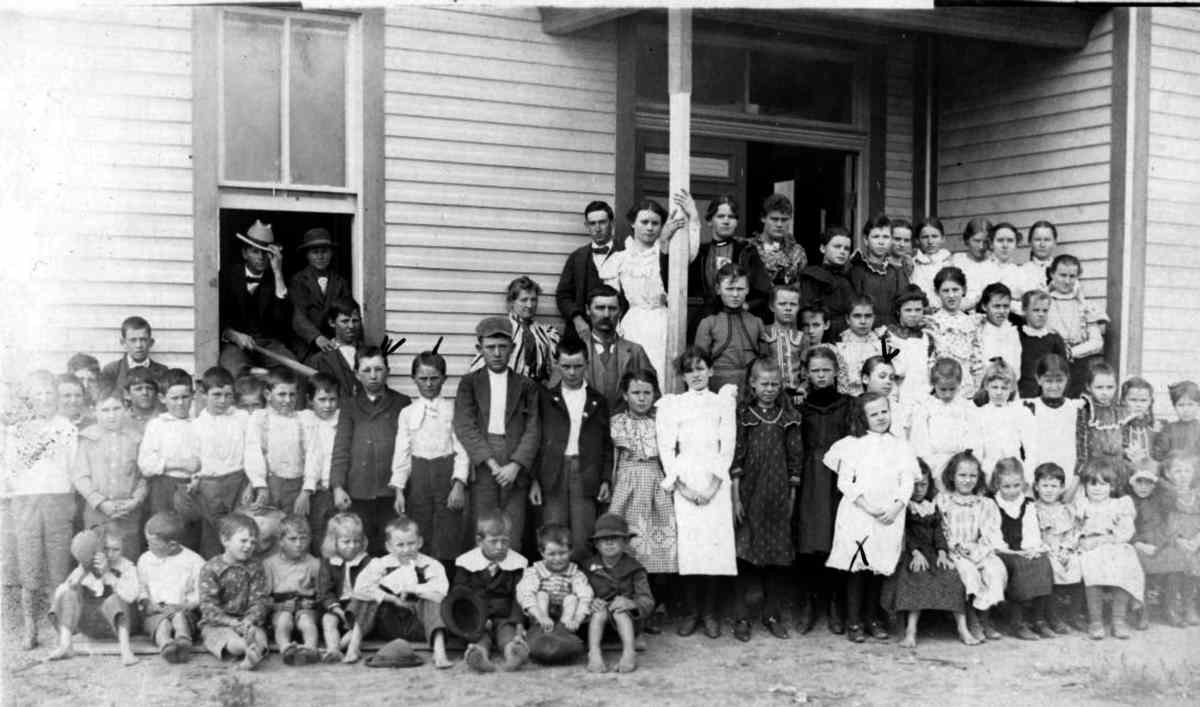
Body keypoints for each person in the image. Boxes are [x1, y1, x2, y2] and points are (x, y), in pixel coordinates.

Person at [656, 347, 738, 639]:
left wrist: (714, 485)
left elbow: (727, 444)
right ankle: (691, 612)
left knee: (715, 549)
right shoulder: (673, 404)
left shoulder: (722, 403)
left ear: (711, 371)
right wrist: (683, 487)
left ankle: (710, 613)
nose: (696, 375)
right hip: (686, 478)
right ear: (682, 376)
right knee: (690, 550)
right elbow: (667, 448)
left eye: (701, 368)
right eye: (690, 370)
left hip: (715, 478)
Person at [824, 393, 918, 643]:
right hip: (860, 514)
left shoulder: (900, 445)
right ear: (863, 417)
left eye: (884, 412)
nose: (880, 417)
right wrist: (868, 506)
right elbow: (845, 482)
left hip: (889, 515)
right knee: (858, 566)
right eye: (873, 414)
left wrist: (897, 506)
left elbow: (907, 480)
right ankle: (853, 620)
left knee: (878, 567)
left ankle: (871, 618)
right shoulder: (852, 445)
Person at [454, 316, 540, 554]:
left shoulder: (526, 386)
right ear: (479, 348)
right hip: (483, 462)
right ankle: (482, 576)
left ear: (512, 348)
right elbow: (465, 426)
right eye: (490, 347)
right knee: (483, 529)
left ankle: (512, 576)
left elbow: (533, 429)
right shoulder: (469, 383)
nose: (497, 353)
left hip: (515, 462)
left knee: (513, 529)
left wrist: (515, 465)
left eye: (503, 347)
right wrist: (492, 465)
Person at [731, 359, 803, 641]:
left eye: (775, 384)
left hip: (778, 494)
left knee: (776, 557)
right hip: (749, 493)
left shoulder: (789, 417)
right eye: (764, 384)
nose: (770, 389)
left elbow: (795, 457)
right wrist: (736, 498)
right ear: (753, 384)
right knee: (745, 554)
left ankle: (771, 614)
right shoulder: (743, 416)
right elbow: (737, 456)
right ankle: (741, 616)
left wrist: (792, 495)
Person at [599, 191, 700, 379]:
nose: (649, 227)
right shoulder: (619, 259)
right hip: (633, 323)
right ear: (633, 223)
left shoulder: (665, 254)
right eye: (644, 222)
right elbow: (611, 301)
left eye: (655, 223)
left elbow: (691, 252)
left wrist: (693, 215)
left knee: (662, 372)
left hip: (662, 321)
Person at [607, 369, 677, 625]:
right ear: (625, 395)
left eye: (647, 392)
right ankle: (628, 605)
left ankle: (655, 606)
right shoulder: (617, 422)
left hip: (656, 485)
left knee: (660, 547)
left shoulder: (661, 421)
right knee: (630, 546)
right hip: (627, 487)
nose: (641, 398)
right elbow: (613, 459)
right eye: (636, 392)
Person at [534, 336, 612, 563]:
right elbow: (536, 441)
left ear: (587, 364)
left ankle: (582, 581)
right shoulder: (546, 399)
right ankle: (552, 580)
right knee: (553, 531)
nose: (571, 372)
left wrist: (605, 479)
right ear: (557, 364)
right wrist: (534, 480)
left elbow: (606, 444)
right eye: (566, 366)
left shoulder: (597, 401)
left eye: (577, 366)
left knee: (582, 535)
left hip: (585, 471)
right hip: (553, 473)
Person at [390, 347, 469, 568]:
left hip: (446, 474)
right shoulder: (407, 413)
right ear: (414, 379)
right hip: (419, 476)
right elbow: (402, 452)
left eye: (434, 378)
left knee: (448, 529)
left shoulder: (453, 410)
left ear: (444, 378)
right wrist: (399, 490)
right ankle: (420, 575)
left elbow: (462, 449)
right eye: (423, 379)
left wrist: (459, 484)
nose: (428, 384)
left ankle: (447, 576)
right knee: (420, 526)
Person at [793, 346, 854, 633]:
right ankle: (808, 602)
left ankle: (834, 604)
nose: (820, 375)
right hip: (809, 478)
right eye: (815, 371)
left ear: (836, 372)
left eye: (826, 370)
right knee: (809, 540)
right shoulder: (800, 407)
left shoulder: (848, 405)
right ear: (806, 373)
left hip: (837, 478)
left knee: (836, 538)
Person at [883, 460, 974, 647]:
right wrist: (915, 552)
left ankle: (963, 628)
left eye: (923, 485)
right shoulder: (903, 507)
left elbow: (939, 532)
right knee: (918, 577)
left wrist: (942, 552)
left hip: (933, 553)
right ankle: (911, 631)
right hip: (911, 553)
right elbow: (905, 533)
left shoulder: (931, 506)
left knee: (952, 576)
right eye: (914, 485)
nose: (918, 490)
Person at [330, 346, 412, 555]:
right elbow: (341, 448)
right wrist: (338, 486)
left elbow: (408, 449)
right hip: (359, 491)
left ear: (388, 371)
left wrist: (402, 488)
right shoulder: (349, 406)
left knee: (393, 547)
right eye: (366, 370)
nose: (373, 376)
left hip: (391, 491)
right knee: (360, 549)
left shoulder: (401, 403)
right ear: (357, 374)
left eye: (378, 369)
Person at [349, 516, 453, 668]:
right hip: (388, 623)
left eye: (411, 543)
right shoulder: (381, 564)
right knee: (365, 597)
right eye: (400, 545)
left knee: (434, 599)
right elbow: (360, 588)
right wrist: (392, 598)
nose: (406, 549)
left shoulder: (430, 565)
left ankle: (439, 652)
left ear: (420, 542)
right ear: (389, 546)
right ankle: (353, 646)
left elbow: (441, 591)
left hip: (420, 625)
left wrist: (412, 589)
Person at [937, 451, 1007, 641]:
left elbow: (991, 532)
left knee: (995, 570)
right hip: (955, 552)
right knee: (969, 573)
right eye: (962, 475)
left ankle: (985, 618)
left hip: (979, 550)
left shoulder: (985, 503)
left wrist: (979, 551)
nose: (967, 480)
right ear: (952, 476)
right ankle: (972, 619)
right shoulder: (943, 501)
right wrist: (957, 548)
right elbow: (941, 530)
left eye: (972, 476)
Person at [451, 510, 530, 673]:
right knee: (479, 636)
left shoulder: (517, 563)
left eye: (505, 541)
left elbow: (520, 596)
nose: (500, 547)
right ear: (479, 541)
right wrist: (475, 617)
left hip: (505, 616)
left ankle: (513, 653)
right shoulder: (466, 563)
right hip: (477, 617)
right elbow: (460, 595)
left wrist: (518, 623)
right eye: (494, 541)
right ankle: (479, 655)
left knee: (507, 635)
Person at [47, 526, 140, 666]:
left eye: (116, 549)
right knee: (69, 593)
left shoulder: (127, 567)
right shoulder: (87, 566)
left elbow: (131, 596)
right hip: (93, 626)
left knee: (114, 600)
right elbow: (60, 593)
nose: (110, 554)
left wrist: (107, 574)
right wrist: (81, 575)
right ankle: (66, 645)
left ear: (123, 549)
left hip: (118, 626)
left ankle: (126, 651)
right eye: (106, 549)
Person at [73, 383, 146, 559]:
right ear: (95, 411)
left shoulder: (135, 438)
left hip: (128, 513)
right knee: (97, 557)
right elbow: (80, 476)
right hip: (97, 514)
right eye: (105, 410)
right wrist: (100, 502)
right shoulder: (87, 438)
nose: (111, 415)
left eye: (116, 409)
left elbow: (143, 476)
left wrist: (135, 501)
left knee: (128, 558)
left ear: (125, 408)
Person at [1074, 458, 1144, 640]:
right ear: (1085, 486)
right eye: (1093, 484)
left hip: (1114, 545)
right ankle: (1096, 621)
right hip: (1090, 547)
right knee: (1091, 565)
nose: (1098, 489)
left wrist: (1106, 539)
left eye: (1104, 484)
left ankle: (1118, 620)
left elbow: (1126, 531)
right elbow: (1074, 528)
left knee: (1126, 564)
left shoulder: (1119, 505)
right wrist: (1081, 540)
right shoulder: (1082, 505)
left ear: (1112, 487)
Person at [218, 219, 296, 376]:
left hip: (269, 345)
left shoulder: (278, 279)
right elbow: (217, 317)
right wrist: (232, 334)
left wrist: (277, 272)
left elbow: (283, 319)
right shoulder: (227, 277)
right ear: (244, 253)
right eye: (255, 251)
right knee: (235, 372)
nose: (261, 257)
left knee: (293, 372)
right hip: (236, 344)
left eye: (265, 253)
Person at [190, 366, 250, 558]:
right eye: (216, 395)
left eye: (228, 395)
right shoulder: (197, 425)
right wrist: (195, 479)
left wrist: (250, 483)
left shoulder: (242, 418)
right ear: (203, 394)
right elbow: (195, 460)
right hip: (210, 486)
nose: (223, 401)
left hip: (238, 482)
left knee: (240, 531)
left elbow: (251, 452)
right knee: (214, 535)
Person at [991, 458, 1055, 640]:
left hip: (1024, 548)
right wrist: (1014, 553)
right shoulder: (992, 504)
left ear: (1023, 484)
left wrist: (1032, 549)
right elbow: (993, 536)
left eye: (1016, 486)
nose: (1012, 491)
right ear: (997, 485)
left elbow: (1031, 531)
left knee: (1042, 562)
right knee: (1019, 565)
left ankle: (1039, 619)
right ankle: (1016, 622)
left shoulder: (1027, 504)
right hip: (1002, 551)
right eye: (1006, 486)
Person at [138, 368, 201, 550]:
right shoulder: (156, 425)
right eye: (174, 398)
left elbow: (204, 459)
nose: (180, 403)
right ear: (162, 398)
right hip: (163, 487)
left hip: (191, 488)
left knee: (190, 535)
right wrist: (178, 464)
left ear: (193, 396)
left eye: (185, 397)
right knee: (163, 534)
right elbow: (145, 465)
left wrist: (198, 476)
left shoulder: (198, 424)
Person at [198, 513, 270, 670]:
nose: (248, 546)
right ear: (225, 540)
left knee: (259, 635)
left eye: (253, 542)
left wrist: (249, 620)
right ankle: (246, 649)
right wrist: (231, 623)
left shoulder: (256, 567)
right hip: (218, 623)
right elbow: (208, 606)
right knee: (226, 638)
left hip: (247, 621)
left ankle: (254, 652)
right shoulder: (211, 568)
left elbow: (259, 600)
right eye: (243, 541)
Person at [584, 514, 654, 674]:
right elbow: (578, 591)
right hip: (593, 626)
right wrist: (590, 601)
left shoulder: (635, 568)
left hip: (627, 625)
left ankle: (629, 653)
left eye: (615, 538)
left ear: (626, 542)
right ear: (596, 544)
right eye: (603, 539)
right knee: (599, 612)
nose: (609, 543)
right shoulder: (588, 567)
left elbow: (647, 600)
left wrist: (631, 603)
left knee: (620, 612)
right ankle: (594, 653)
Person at [516, 523, 592, 665]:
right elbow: (525, 594)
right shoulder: (535, 571)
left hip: (566, 618)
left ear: (570, 551)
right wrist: (541, 616)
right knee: (541, 595)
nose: (557, 559)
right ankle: (542, 629)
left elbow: (585, 597)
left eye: (562, 553)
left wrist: (577, 619)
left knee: (571, 598)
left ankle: (563, 630)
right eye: (551, 554)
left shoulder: (575, 574)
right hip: (542, 617)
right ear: (542, 552)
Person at [138, 511, 206, 663]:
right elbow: (141, 588)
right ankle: (165, 644)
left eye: (153, 544)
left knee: (179, 618)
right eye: (147, 542)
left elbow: (201, 592)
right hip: (156, 611)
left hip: (184, 609)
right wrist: (147, 604)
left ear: (172, 545)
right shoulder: (145, 559)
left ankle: (183, 639)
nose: (148, 546)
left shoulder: (194, 561)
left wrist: (184, 606)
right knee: (161, 624)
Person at [470, 276, 561, 386]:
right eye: (524, 300)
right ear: (512, 302)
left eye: (533, 300)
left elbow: (559, 367)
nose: (529, 305)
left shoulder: (547, 332)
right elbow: (479, 368)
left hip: (537, 391)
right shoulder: (500, 329)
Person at [245, 367, 310, 514]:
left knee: (294, 525)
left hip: (296, 484)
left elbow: (312, 454)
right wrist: (260, 486)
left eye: (292, 394)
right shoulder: (261, 419)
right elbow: (254, 453)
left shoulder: (302, 420)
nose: (288, 400)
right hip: (270, 484)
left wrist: (306, 491)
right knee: (268, 524)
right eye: (282, 394)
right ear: (268, 394)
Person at [694, 263, 766, 394]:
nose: (735, 294)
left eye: (740, 289)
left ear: (747, 290)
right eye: (729, 289)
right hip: (718, 391)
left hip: (751, 391)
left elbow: (766, 364)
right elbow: (698, 367)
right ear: (718, 289)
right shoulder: (709, 323)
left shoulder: (756, 322)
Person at [689, 195, 765, 317]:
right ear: (709, 221)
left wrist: (747, 305)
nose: (726, 221)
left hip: (739, 318)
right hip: (705, 319)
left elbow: (763, 292)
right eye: (720, 216)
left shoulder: (747, 251)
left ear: (736, 222)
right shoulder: (699, 253)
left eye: (731, 217)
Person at [557, 200, 623, 341]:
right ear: (587, 226)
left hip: (619, 331)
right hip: (583, 333)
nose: (597, 228)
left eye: (602, 222)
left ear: (612, 223)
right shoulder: (577, 257)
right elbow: (563, 296)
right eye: (592, 223)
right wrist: (577, 319)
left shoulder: (626, 253)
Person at [909, 359, 979, 491]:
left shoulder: (966, 406)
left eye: (952, 389)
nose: (948, 394)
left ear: (959, 384)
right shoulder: (926, 407)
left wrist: (967, 457)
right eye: (943, 389)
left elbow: (973, 434)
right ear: (933, 384)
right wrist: (929, 462)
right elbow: (920, 438)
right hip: (935, 462)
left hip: (961, 463)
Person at [581, 285, 654, 411]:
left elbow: (653, 395)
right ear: (588, 310)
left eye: (612, 308)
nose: (606, 314)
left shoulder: (635, 352)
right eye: (600, 308)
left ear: (620, 312)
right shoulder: (574, 352)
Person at [1045, 254, 1107, 397]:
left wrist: (1071, 352)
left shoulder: (1084, 305)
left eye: (1072, 276)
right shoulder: (1043, 302)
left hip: (1077, 365)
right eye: (1062, 275)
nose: (1067, 281)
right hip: (1049, 363)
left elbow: (1097, 342)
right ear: (1052, 274)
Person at [263, 515, 322, 664]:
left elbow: (322, 594)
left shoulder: (314, 563)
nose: (299, 544)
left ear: (309, 539)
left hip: (306, 607)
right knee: (283, 620)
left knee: (306, 622)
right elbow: (264, 597)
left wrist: (313, 603)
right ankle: (285, 648)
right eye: (293, 539)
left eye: (303, 539)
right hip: (280, 608)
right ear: (281, 541)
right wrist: (278, 606)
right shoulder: (269, 564)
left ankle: (310, 648)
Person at [1032, 463, 1084, 633]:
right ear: (1036, 487)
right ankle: (1052, 617)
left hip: (1064, 550)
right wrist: (1051, 551)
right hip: (1044, 550)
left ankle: (1074, 614)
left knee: (1078, 563)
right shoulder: (1033, 510)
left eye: (1054, 486)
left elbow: (1073, 533)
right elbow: (1033, 535)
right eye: (1045, 485)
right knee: (1051, 567)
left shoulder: (1066, 510)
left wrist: (1066, 549)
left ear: (1062, 488)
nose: (1049, 490)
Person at [1127, 464, 1180, 628]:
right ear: (1132, 484)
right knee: (1136, 564)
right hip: (1138, 544)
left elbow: (1173, 492)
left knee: (1173, 559)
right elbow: (1125, 527)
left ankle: (1170, 608)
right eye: (1139, 482)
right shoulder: (1127, 501)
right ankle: (1142, 610)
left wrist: (1156, 478)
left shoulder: (1159, 500)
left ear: (1154, 485)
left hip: (1159, 542)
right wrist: (1138, 543)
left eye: (1148, 483)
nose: (1143, 487)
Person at [314, 512, 371, 663]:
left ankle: (343, 649)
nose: (352, 546)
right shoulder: (328, 562)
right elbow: (324, 592)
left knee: (360, 624)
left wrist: (351, 612)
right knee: (328, 619)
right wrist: (338, 611)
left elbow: (368, 590)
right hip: (337, 607)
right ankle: (332, 647)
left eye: (357, 541)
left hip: (359, 607)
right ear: (334, 542)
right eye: (346, 542)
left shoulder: (366, 561)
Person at [1022, 354, 1082, 495]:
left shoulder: (1075, 408)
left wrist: (1072, 486)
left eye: (1059, 380)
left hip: (1067, 482)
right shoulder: (1029, 407)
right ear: (1038, 379)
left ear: (1067, 379)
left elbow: (1081, 451)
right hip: (1035, 482)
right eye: (1048, 381)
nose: (1054, 386)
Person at [288, 227, 352, 359]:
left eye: (324, 251)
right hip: (306, 344)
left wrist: (339, 339)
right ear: (307, 255)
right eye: (315, 252)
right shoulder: (298, 281)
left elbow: (346, 313)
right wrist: (317, 337)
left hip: (334, 342)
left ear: (331, 253)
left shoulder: (340, 282)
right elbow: (298, 316)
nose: (320, 256)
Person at [1154, 453, 1200, 626]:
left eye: (1187, 471)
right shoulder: (1165, 496)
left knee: (1194, 559)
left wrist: (1197, 540)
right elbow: (1162, 522)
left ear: (1194, 473)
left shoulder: (1197, 495)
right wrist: (1177, 539)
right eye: (1178, 471)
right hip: (1171, 540)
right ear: (1168, 473)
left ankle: (1189, 605)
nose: (1183, 475)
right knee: (1175, 559)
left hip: (1195, 540)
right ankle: (1171, 607)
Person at [300, 373, 342, 556]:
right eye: (322, 399)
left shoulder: (342, 421)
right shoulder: (305, 420)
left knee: (337, 535)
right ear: (310, 400)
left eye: (333, 399)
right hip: (313, 491)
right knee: (315, 534)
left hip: (337, 489)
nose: (328, 405)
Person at [746, 194, 806, 320]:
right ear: (763, 218)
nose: (779, 224)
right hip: (753, 316)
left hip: (786, 319)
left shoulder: (797, 252)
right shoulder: (749, 249)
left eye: (784, 220)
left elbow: (800, 290)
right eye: (774, 219)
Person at [928, 266, 983, 399]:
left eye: (955, 290)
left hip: (967, 388)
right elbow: (929, 360)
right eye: (945, 291)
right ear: (937, 292)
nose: (951, 295)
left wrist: (977, 388)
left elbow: (976, 359)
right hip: (941, 390)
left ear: (963, 290)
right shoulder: (932, 323)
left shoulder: (971, 322)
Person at [972, 360, 1032, 483]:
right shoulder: (979, 414)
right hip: (989, 472)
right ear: (986, 386)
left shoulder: (1021, 412)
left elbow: (1031, 448)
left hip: (1015, 474)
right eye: (995, 387)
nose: (999, 392)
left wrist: (1027, 476)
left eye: (1004, 388)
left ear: (1012, 389)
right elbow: (977, 452)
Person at [847, 215, 910, 327]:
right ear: (866, 240)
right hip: (864, 327)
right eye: (876, 237)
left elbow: (904, 304)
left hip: (892, 328)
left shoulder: (897, 272)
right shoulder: (857, 271)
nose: (881, 242)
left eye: (886, 237)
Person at [797, 226, 856, 340]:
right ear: (823, 248)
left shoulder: (849, 279)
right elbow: (809, 315)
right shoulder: (812, 276)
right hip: (819, 338)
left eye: (846, 248)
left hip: (847, 339)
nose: (842, 252)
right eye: (837, 247)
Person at [305, 297, 365, 399]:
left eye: (355, 320)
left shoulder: (369, 355)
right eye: (345, 321)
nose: (351, 326)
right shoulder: (319, 360)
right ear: (332, 323)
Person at [1077, 361, 1125, 482]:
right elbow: (1080, 441)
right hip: (1094, 467)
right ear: (1088, 387)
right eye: (1099, 387)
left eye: (1110, 387)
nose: (1105, 392)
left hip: (1116, 466)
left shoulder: (1117, 411)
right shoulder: (1087, 409)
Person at [760, 284, 808, 404]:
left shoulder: (802, 337)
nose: (788, 308)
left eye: (793, 304)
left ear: (798, 307)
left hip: (795, 396)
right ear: (772, 306)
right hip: (768, 394)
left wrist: (803, 388)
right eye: (782, 304)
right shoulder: (762, 333)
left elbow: (806, 370)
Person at [888, 286, 935, 408]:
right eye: (908, 310)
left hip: (925, 398)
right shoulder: (889, 336)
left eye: (918, 310)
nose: (913, 314)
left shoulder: (927, 337)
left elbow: (930, 368)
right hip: (899, 398)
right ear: (898, 311)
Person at [1017, 290, 1069, 399]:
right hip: (1023, 393)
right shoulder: (1017, 336)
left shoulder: (1054, 338)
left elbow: (1063, 369)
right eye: (1036, 310)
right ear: (1024, 310)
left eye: (1045, 311)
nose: (1041, 314)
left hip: (1048, 392)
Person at [101, 315, 169, 392]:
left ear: (151, 342)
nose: (138, 345)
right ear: (123, 343)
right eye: (133, 340)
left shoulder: (162, 371)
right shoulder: (112, 371)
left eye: (143, 340)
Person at [835, 296, 885, 397]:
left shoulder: (882, 346)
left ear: (874, 318)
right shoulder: (839, 346)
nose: (863, 321)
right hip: (848, 399)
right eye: (857, 316)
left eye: (868, 316)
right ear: (848, 319)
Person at [950, 217, 999, 312]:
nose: (981, 246)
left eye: (985, 242)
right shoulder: (957, 261)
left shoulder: (995, 263)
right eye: (977, 241)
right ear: (967, 240)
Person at [976, 282, 1021, 375]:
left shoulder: (1012, 332)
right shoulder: (978, 331)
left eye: (1006, 306)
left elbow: (1016, 366)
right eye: (997, 306)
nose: (1002, 311)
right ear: (984, 306)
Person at [909, 217, 952, 309]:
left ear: (943, 238)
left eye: (934, 236)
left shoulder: (950, 263)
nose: (930, 241)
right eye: (925, 237)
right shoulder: (913, 264)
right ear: (917, 240)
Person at [1153, 381, 1200, 461]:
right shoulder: (1168, 430)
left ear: (1198, 405)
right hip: (1173, 467)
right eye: (1181, 405)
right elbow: (1159, 456)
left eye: (1190, 404)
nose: (1186, 410)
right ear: (1174, 407)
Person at [987, 223, 1028, 315]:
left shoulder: (1021, 273)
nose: (1005, 245)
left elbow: (1027, 305)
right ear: (991, 243)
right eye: (1000, 240)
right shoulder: (982, 269)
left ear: (1016, 244)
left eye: (1010, 241)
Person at [1121, 377, 1160, 469]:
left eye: (1143, 400)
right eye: (1133, 400)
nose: (1138, 405)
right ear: (1123, 401)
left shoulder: (1156, 428)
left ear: (1150, 402)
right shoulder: (1117, 427)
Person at [1020, 220, 1060, 296]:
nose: (1042, 244)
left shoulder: (1064, 270)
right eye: (1037, 240)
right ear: (1030, 242)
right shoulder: (1022, 271)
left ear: (1055, 243)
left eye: (1047, 240)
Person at [124, 367, 163, 433]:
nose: (145, 393)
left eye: (149, 388)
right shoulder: (120, 420)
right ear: (127, 394)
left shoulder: (165, 419)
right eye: (138, 389)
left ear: (156, 393)